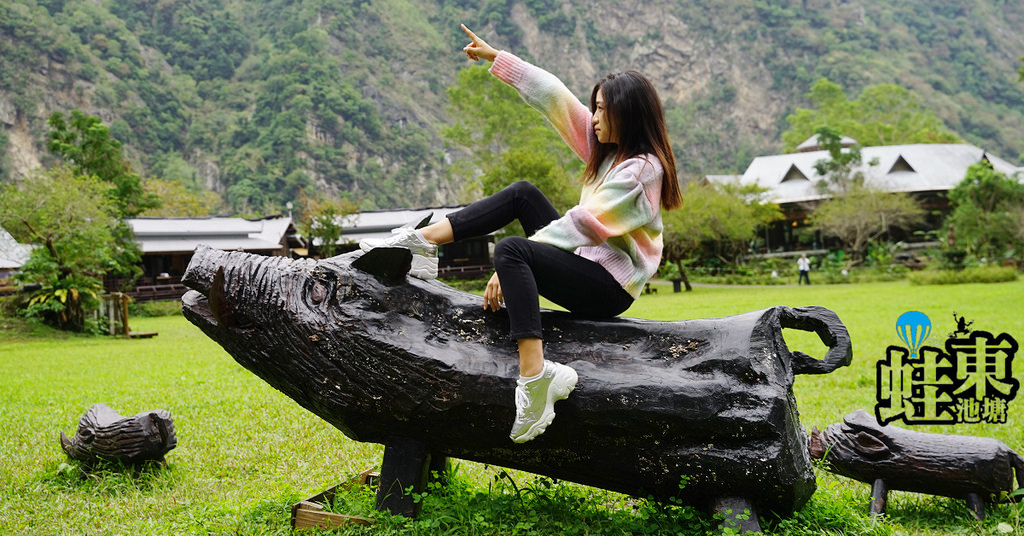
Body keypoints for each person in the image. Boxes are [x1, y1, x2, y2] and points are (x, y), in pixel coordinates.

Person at [360, 24, 681, 443]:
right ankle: (421, 242)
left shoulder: (642, 170)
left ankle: (535, 376)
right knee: (523, 195)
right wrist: (499, 60)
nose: (595, 117)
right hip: (588, 263)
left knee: (512, 250)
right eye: (595, 109)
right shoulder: (609, 150)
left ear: (628, 115)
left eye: (603, 110)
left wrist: (515, 263)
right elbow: (555, 96)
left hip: (609, 287)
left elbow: (585, 223)